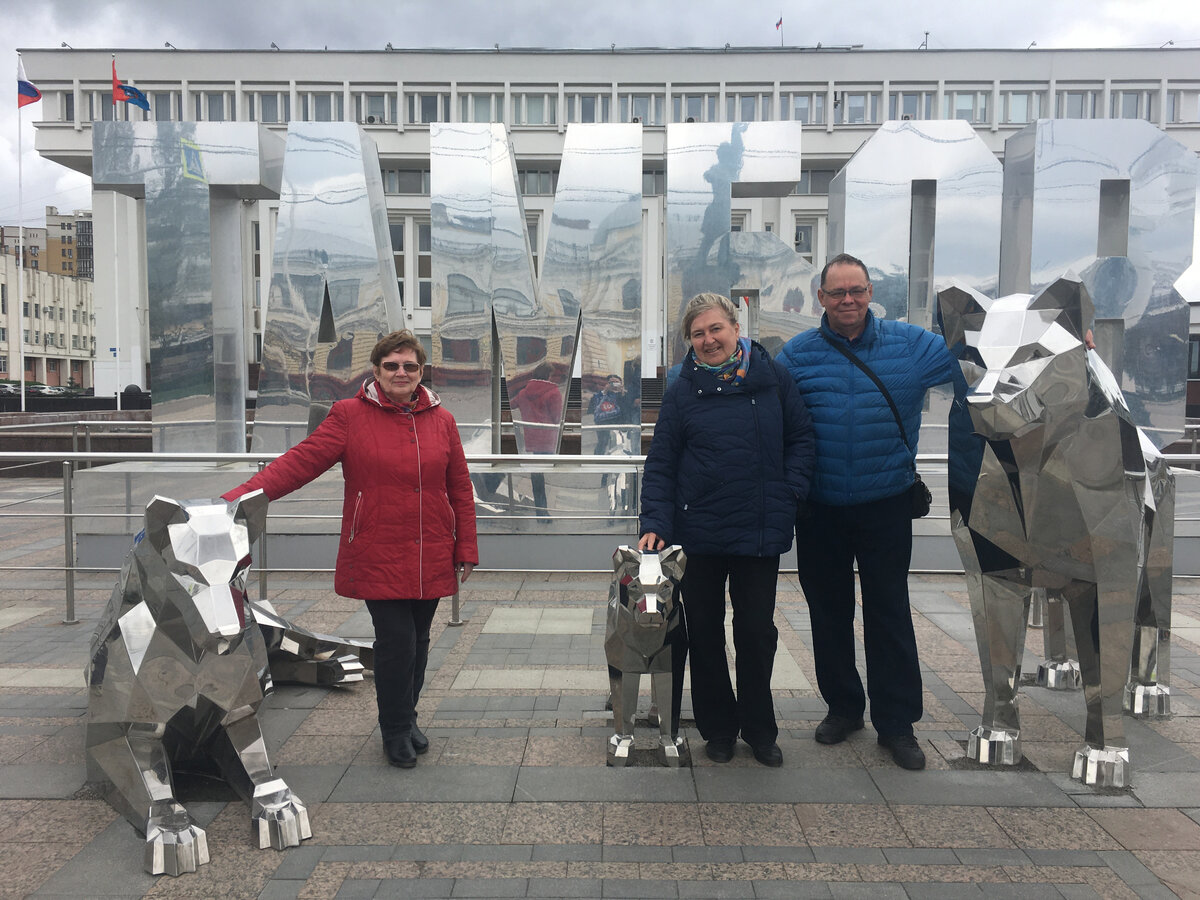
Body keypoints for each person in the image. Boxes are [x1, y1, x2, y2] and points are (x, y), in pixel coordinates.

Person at [223, 330, 477, 770]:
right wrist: (234, 501)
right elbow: (298, 464)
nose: (401, 373)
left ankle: (408, 717)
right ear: (376, 370)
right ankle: (395, 730)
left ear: (421, 373)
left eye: (410, 366)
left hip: (432, 548)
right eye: (392, 365)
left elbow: (459, 487)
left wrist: (466, 546)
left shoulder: (443, 420)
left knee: (418, 641)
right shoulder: (349, 415)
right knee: (396, 643)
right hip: (379, 550)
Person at [777, 253, 959, 771]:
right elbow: (767, 410)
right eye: (837, 293)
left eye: (856, 291)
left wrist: (1069, 348)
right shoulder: (797, 355)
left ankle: (897, 724)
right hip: (821, 508)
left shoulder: (912, 346)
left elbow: (976, 357)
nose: (848, 301)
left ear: (871, 292)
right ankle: (843, 707)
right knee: (828, 613)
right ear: (821, 298)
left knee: (890, 613)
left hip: (885, 505)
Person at [639, 293, 814, 767]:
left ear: (736, 328)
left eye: (716, 329)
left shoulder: (772, 377)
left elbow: (801, 439)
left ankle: (760, 729)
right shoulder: (681, 389)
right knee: (706, 632)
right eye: (698, 334)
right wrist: (655, 521)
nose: (708, 339)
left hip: (758, 529)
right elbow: (663, 463)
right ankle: (718, 728)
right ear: (689, 342)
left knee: (756, 632)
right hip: (700, 531)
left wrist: (788, 493)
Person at [510, 363, 563, 521]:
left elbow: (510, 405)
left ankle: (541, 511)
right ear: (548, 376)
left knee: (537, 477)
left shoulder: (523, 392)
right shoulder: (553, 393)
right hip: (547, 442)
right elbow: (557, 418)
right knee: (545, 475)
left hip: (531, 441)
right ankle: (542, 513)